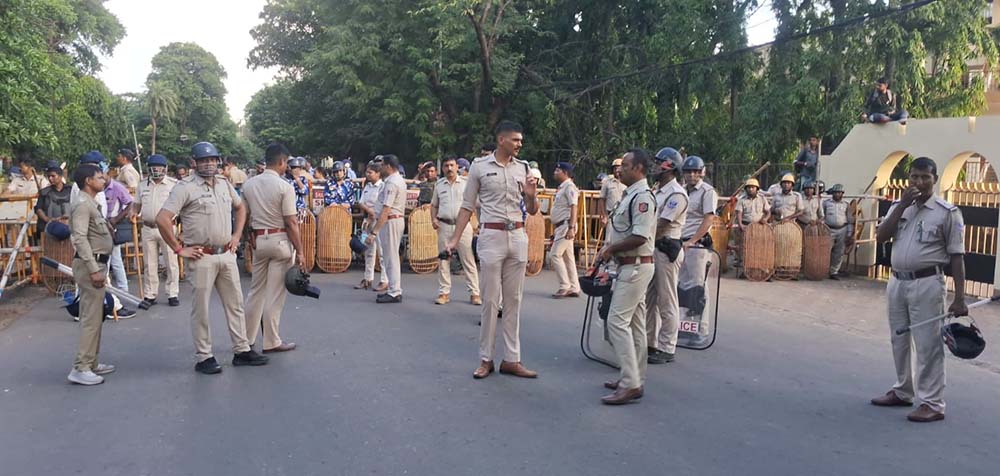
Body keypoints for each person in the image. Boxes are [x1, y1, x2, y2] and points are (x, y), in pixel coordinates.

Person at [156, 141, 268, 374]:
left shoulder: (224, 185)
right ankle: (204, 356)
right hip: (201, 256)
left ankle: (242, 349)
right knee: (202, 309)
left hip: (225, 253)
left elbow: (240, 208)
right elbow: (163, 218)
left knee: (235, 304)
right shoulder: (184, 187)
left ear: (219, 161)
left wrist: (237, 236)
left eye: (213, 160)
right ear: (194, 163)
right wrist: (178, 249)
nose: (209, 164)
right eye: (204, 160)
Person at [872, 157, 965, 423]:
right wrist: (901, 205)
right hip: (897, 282)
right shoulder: (899, 207)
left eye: (925, 177)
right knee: (898, 339)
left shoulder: (947, 212)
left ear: (935, 180)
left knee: (928, 344)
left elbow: (957, 257)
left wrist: (959, 298)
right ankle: (903, 390)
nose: (919, 182)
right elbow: (881, 236)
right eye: (914, 177)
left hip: (927, 284)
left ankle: (933, 403)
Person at [445, 120, 539, 380]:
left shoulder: (524, 168)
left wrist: (531, 195)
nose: (520, 144)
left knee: (514, 301)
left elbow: (532, 210)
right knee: (489, 301)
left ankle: (512, 359)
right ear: (501, 140)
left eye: (521, 140)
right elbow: (467, 205)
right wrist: (453, 240)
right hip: (491, 235)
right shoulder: (479, 166)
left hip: (518, 234)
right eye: (516, 140)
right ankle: (486, 358)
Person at [598, 149, 657, 405]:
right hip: (630, 265)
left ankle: (631, 382)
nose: (619, 169)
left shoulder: (642, 197)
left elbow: (640, 235)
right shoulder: (629, 195)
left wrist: (610, 249)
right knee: (634, 324)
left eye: (626, 165)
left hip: (635, 265)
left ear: (639, 168)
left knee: (616, 322)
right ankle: (633, 377)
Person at [242, 143, 306, 354]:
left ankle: (247, 339)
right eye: (286, 162)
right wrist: (301, 252)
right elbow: (291, 222)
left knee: (256, 292)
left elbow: (244, 216)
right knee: (275, 295)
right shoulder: (284, 187)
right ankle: (271, 341)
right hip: (280, 241)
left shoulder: (249, 185)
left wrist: (247, 238)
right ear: (281, 161)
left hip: (260, 241)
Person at [66, 164, 116, 385]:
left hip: (97, 264)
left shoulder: (91, 203)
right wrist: (94, 269)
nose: (104, 179)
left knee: (96, 316)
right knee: (90, 317)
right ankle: (81, 367)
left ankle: (92, 362)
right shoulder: (82, 205)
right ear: (88, 181)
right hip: (90, 265)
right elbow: (80, 238)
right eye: (99, 177)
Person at [645, 147, 687, 365]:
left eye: (659, 162)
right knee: (649, 299)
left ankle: (667, 347)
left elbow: (662, 224)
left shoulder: (676, 194)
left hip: (665, 248)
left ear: (669, 166)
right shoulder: (657, 190)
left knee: (667, 299)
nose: (655, 166)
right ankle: (650, 343)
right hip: (653, 248)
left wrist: (642, 235)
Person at [678, 156, 718, 344]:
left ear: (702, 172)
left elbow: (708, 219)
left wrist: (693, 240)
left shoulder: (707, 192)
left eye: (695, 171)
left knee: (698, 288)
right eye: (688, 171)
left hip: (697, 245)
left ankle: (701, 331)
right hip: (680, 243)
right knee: (682, 286)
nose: (692, 175)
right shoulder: (681, 191)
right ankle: (685, 327)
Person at [431, 157, 481, 305]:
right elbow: (434, 205)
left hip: (463, 226)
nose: (449, 168)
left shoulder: (466, 183)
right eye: (446, 166)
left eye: (452, 165)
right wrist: (433, 219)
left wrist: (477, 222)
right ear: (443, 168)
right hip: (444, 225)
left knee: (468, 259)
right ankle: (444, 293)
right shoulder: (439, 185)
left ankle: (475, 293)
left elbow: (476, 204)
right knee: (443, 260)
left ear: (457, 166)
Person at [136, 154, 180, 307]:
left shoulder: (173, 184)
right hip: (148, 227)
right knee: (149, 263)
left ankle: (172, 293)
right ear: (149, 168)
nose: (156, 169)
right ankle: (150, 294)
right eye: (153, 167)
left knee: (171, 261)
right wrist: (132, 212)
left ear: (165, 168)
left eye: (159, 167)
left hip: (167, 227)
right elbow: (137, 204)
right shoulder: (142, 185)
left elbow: (181, 207)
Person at [366, 154, 407, 303]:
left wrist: (374, 231)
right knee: (390, 257)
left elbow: (386, 209)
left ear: (388, 166)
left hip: (391, 221)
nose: (380, 167)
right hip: (392, 221)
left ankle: (394, 291)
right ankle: (393, 289)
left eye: (382, 165)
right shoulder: (394, 180)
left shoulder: (392, 183)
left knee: (390, 258)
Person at [549, 162, 581, 298]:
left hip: (566, 225)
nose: (555, 172)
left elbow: (574, 206)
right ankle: (574, 287)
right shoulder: (562, 187)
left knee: (555, 255)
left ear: (565, 173)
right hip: (562, 225)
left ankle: (565, 286)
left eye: (558, 170)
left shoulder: (569, 187)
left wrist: (571, 227)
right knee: (568, 258)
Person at [356, 161, 389, 291]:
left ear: (378, 174)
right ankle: (367, 278)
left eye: (370, 172)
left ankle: (384, 280)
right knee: (368, 250)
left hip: (378, 221)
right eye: (367, 172)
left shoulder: (383, 186)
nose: (367, 174)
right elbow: (361, 202)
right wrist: (368, 211)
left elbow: (381, 204)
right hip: (368, 220)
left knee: (381, 251)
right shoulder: (368, 186)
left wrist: (372, 212)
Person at [103, 175, 134, 294]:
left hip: (112, 226)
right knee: (112, 260)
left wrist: (116, 219)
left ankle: (121, 290)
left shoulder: (117, 187)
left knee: (112, 260)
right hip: (101, 225)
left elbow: (130, 203)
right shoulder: (98, 186)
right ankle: (119, 290)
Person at [734, 178, 770, 270]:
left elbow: (768, 212)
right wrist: (741, 225)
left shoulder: (762, 198)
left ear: (757, 189)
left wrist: (765, 219)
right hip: (747, 225)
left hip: (759, 226)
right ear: (746, 189)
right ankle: (746, 269)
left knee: (760, 247)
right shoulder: (742, 200)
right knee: (746, 248)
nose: (751, 189)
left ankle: (760, 268)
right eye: (749, 187)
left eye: (753, 187)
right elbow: (739, 213)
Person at [822, 184, 854, 280]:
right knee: (826, 250)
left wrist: (849, 233)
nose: (837, 194)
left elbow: (850, 219)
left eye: (839, 193)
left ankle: (834, 271)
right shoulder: (826, 203)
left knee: (839, 252)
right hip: (829, 229)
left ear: (842, 194)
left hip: (842, 229)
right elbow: (822, 216)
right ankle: (823, 270)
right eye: (835, 193)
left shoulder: (846, 204)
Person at [35, 162, 72, 239]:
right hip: (51, 226)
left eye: (53, 176)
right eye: (49, 176)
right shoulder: (44, 192)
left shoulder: (71, 190)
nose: (50, 178)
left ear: (60, 176)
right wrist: (48, 219)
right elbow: (38, 209)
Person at [598, 157, 627, 227]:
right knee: (609, 236)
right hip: (611, 214)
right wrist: (604, 216)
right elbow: (602, 199)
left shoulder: (627, 181)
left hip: (624, 216)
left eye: (619, 168)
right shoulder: (607, 182)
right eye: (615, 168)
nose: (617, 170)